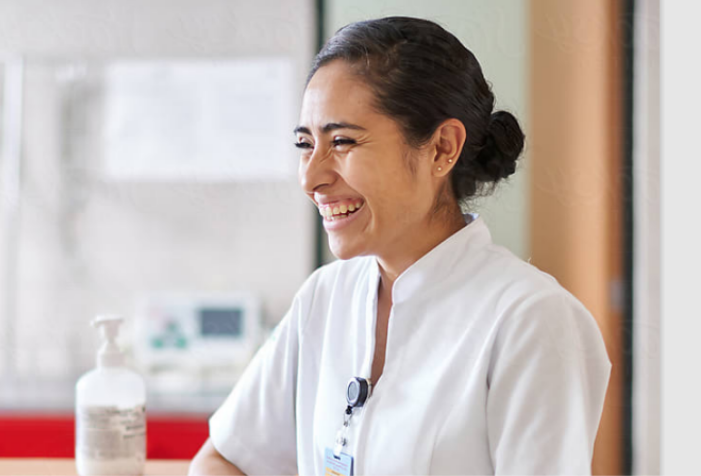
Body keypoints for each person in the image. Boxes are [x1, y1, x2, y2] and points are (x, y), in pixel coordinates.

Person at [189, 16, 611, 476]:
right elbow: (225, 458)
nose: (312, 177)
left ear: (441, 149)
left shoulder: (531, 320)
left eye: (343, 141)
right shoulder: (324, 297)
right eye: (305, 144)